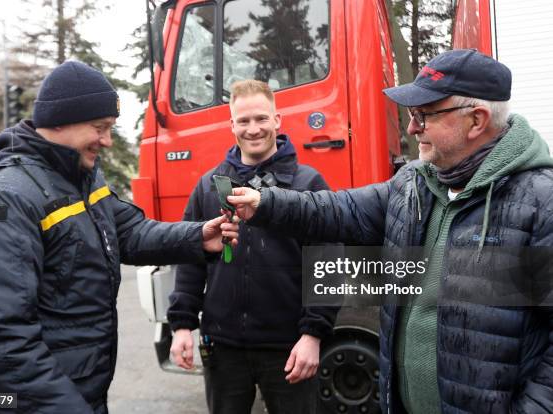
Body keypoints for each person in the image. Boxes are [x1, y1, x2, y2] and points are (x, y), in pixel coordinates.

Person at [227, 49, 553, 413]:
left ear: (475, 121)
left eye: (424, 116)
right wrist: (265, 203)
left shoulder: (540, 202)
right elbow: (339, 209)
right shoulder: (414, 182)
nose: (412, 128)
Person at [0, 60, 238, 414]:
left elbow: (128, 233)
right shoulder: (2, 202)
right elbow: (6, 342)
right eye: (99, 127)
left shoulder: (80, 176)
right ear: (61, 120)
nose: (107, 140)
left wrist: (196, 237)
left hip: (80, 391)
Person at [167, 79, 337, 414]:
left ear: (277, 121)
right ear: (231, 125)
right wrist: (182, 326)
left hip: (289, 348)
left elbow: (327, 264)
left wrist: (313, 335)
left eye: (261, 118)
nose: (253, 129)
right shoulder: (210, 186)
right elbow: (189, 260)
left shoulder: (309, 185)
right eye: (243, 121)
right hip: (223, 348)